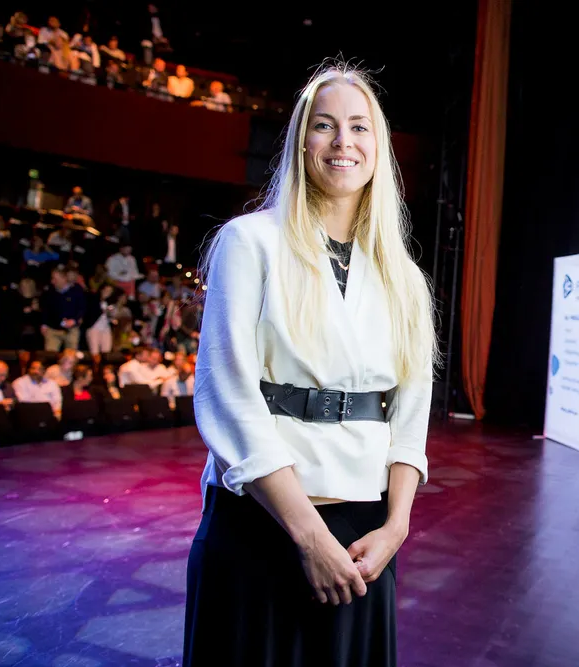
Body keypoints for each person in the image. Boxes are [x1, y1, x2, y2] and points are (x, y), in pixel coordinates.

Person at [183, 63, 437, 667]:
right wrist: (308, 536)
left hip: (365, 537)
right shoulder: (249, 242)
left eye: (359, 127)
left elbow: (411, 415)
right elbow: (227, 395)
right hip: (263, 520)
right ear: (302, 142)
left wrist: (397, 526)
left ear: (379, 148)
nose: (343, 141)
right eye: (324, 126)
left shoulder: (404, 278)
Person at [41, 266, 86, 351]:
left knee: (71, 354)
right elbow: (45, 309)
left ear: (64, 278)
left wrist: (74, 320)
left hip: (71, 329)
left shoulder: (76, 290)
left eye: (55, 279)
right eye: (52, 278)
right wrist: (44, 324)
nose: (52, 281)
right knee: (50, 354)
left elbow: (82, 308)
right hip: (53, 329)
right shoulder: (50, 290)